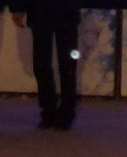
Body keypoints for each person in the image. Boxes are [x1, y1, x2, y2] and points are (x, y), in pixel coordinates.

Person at [9, 0, 80, 130]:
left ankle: (56, 112)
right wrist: (17, 7)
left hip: (47, 9)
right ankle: (57, 112)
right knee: (49, 64)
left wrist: (17, 8)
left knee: (58, 64)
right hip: (51, 9)